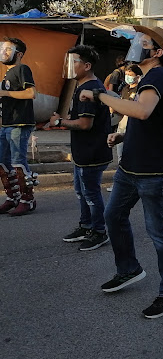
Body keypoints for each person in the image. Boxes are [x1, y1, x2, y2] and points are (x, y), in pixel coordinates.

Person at [80, 26, 163, 318]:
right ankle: (129, 269)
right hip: (131, 167)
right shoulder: (146, 78)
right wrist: (124, 137)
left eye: (143, 42)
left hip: (154, 172)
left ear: (158, 52)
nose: (136, 45)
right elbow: (152, 120)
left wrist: (101, 95)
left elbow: (142, 111)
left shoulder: (159, 75)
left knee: (159, 233)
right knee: (113, 216)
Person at [55, 45, 112, 251]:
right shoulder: (83, 87)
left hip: (92, 152)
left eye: (74, 62)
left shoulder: (90, 90)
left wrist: (59, 122)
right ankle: (86, 225)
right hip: (83, 151)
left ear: (87, 66)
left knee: (90, 193)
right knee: (82, 191)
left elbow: (85, 124)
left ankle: (99, 231)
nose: (70, 66)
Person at [0, 37, 37, 216]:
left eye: (9, 49)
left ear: (19, 54)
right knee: (3, 162)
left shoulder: (22, 69)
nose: (4, 52)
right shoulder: (8, 73)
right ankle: (13, 196)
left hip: (20, 123)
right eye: (3, 49)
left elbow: (31, 93)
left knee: (18, 162)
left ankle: (27, 199)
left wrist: (4, 92)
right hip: (6, 123)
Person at [114, 64, 143, 162]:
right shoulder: (124, 88)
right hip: (122, 123)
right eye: (126, 74)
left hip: (132, 123)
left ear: (137, 76)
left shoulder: (140, 90)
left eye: (130, 75)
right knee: (120, 152)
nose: (128, 77)